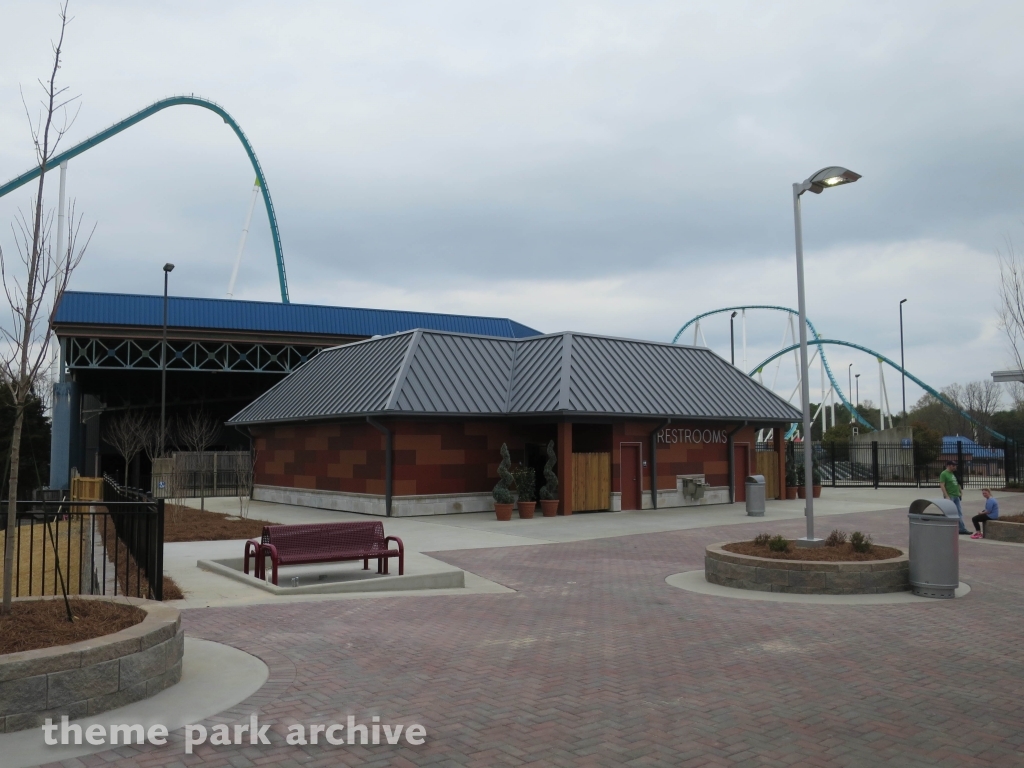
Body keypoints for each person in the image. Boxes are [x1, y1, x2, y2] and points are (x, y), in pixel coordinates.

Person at [938, 460, 970, 534]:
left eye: (955, 465)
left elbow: (957, 483)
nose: (955, 467)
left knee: (959, 512)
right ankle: (949, 528)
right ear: (949, 466)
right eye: (953, 466)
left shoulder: (954, 473)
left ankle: (962, 529)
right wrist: (946, 496)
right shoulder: (944, 474)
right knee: (950, 513)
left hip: (956, 495)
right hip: (950, 496)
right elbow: (942, 485)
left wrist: (960, 491)